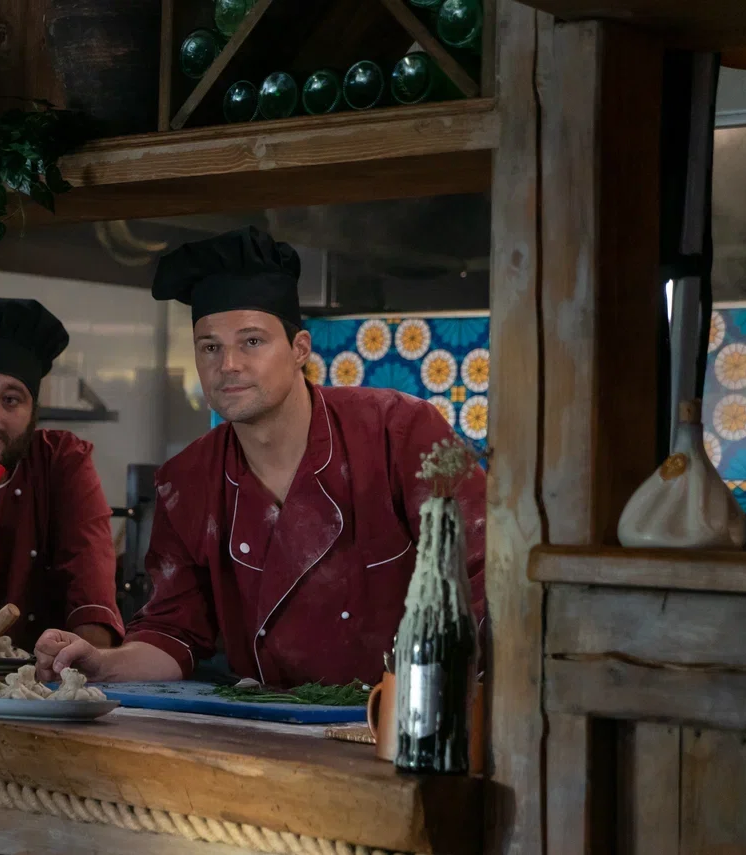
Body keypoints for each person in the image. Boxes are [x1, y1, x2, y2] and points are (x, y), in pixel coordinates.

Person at [35, 227, 486, 688]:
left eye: (251, 341)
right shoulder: (187, 480)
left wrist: (445, 700)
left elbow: (488, 575)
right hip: (268, 718)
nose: (228, 364)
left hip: (407, 714)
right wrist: (101, 664)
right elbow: (173, 633)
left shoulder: (401, 431)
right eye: (210, 347)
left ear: (300, 349)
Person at [0, 297, 123, 652]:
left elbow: (90, 582)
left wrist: (86, 662)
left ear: (34, 414)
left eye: (11, 399)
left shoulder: (61, 461)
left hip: (43, 675)